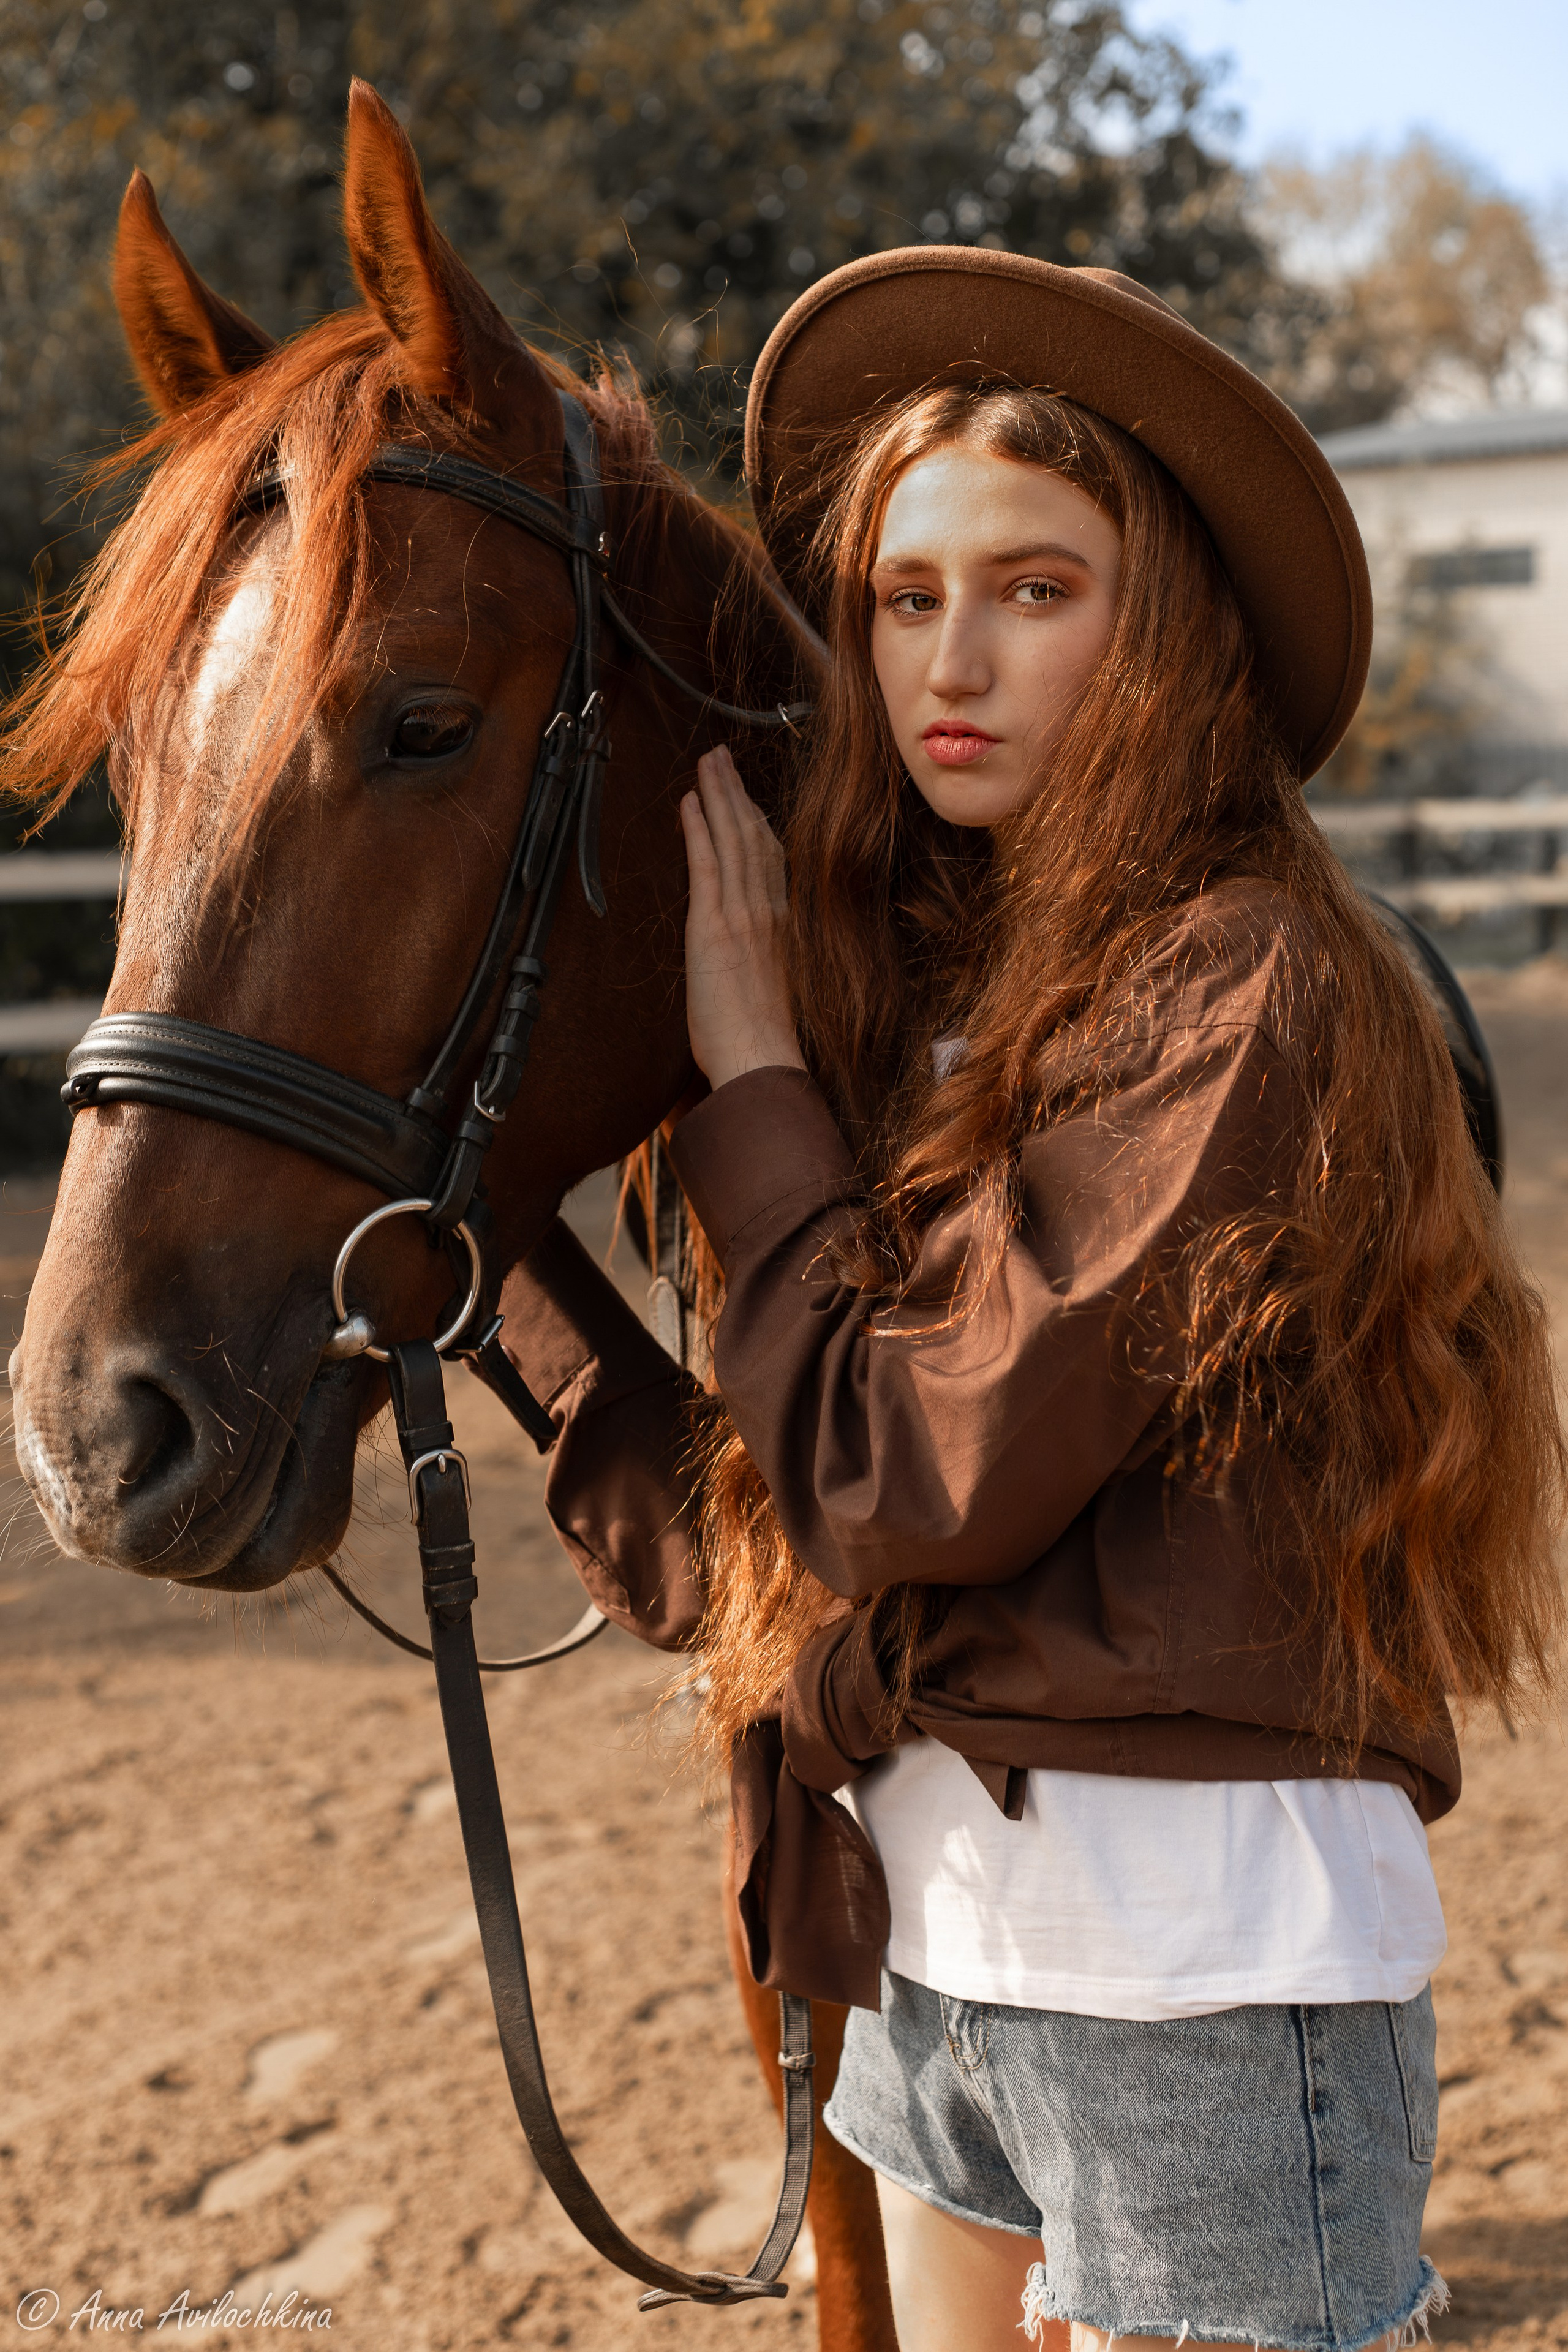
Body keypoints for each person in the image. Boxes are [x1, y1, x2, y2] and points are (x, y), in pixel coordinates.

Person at [502, 251, 1565, 2351]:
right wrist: (485, 1259)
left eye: (1035, 589)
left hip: (1195, 1972)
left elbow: (908, 1480)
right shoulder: (925, 1002)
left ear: (1157, 627)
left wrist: (758, 1085)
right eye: (904, 598)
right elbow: (773, 1526)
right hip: (931, 1957)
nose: (947, 660)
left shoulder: (1236, 979)